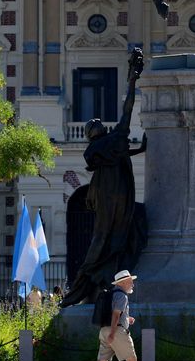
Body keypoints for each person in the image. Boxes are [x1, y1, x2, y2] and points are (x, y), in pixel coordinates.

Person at [63, 48, 148, 307]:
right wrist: (132, 80)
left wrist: (138, 150)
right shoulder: (103, 146)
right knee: (106, 237)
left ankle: (87, 282)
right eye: (94, 121)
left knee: (112, 234)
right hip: (114, 198)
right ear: (91, 133)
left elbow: (117, 152)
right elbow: (127, 110)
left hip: (113, 198)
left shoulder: (103, 149)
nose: (98, 118)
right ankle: (85, 282)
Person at [89, 270, 138, 361]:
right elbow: (115, 315)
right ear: (123, 283)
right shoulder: (122, 296)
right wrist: (112, 334)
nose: (132, 284)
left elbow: (111, 313)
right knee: (132, 359)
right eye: (130, 281)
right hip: (116, 331)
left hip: (104, 330)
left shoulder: (111, 294)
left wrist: (127, 319)